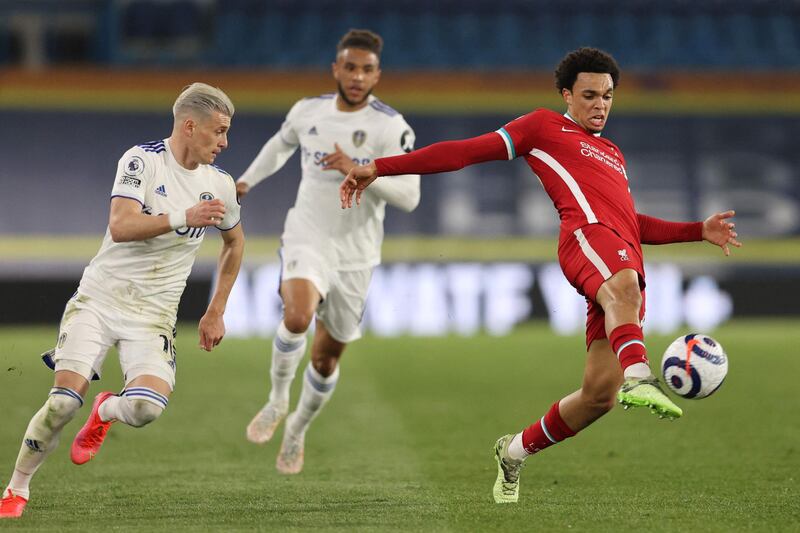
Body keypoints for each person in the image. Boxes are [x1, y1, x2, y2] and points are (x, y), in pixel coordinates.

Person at [340, 47, 741, 504]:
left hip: (621, 254)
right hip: (586, 240)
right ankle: (640, 375)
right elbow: (463, 153)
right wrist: (381, 166)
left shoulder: (612, 152)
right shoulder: (542, 127)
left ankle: (513, 451)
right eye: (589, 95)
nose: (600, 105)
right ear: (566, 94)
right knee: (624, 288)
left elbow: (632, 223)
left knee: (598, 397)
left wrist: (697, 230)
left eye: (607, 96)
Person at [0, 83, 244, 519]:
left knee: (146, 408)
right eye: (219, 131)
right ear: (190, 125)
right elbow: (121, 225)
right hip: (100, 300)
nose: (225, 142)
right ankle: (16, 488)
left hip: (153, 316)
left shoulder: (220, 186)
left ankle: (106, 408)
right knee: (61, 403)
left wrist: (216, 309)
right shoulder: (142, 160)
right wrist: (182, 217)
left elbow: (234, 243)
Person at [237, 29, 420, 475]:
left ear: (378, 75)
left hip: (357, 253)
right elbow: (281, 145)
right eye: (350, 67)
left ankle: (297, 429)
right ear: (336, 68)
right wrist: (245, 181)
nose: (358, 76)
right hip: (308, 233)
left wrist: (365, 172)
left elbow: (411, 196)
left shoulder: (391, 127)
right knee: (296, 316)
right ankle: (277, 400)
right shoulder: (307, 111)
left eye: (367, 69)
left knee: (325, 357)